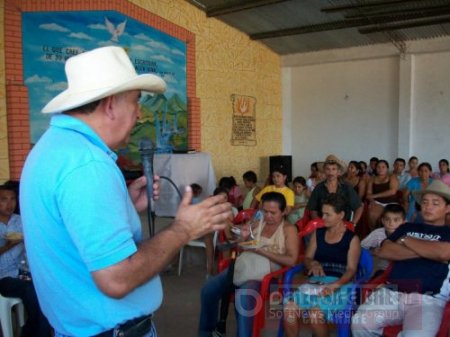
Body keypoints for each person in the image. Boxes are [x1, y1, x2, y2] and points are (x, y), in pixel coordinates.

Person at [19, 46, 232, 337]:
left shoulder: (51, 148)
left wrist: (124, 205)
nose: (140, 112)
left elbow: (72, 229)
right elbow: (117, 279)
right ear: (110, 105)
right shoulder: (88, 165)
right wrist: (184, 229)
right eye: (136, 101)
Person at [352, 180, 450, 337]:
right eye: (425, 202)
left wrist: (405, 241)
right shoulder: (407, 227)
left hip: (427, 299)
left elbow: (445, 254)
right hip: (392, 293)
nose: (428, 206)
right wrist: (430, 251)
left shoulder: (448, 233)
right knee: (360, 323)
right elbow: (385, 251)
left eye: (435, 203)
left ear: (447, 208)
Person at [199, 192, 299, 337]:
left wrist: (261, 251)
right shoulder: (258, 222)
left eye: (273, 213)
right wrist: (242, 238)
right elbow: (240, 245)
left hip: (264, 274)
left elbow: (291, 260)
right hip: (244, 266)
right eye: (265, 211)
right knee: (207, 291)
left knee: (244, 297)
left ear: (284, 211)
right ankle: (206, 332)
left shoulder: (288, 230)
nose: (268, 216)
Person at [284, 194, 361, 337]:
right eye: (322, 213)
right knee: (289, 309)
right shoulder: (318, 234)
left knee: (315, 313)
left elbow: (351, 270)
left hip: (340, 285)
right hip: (316, 284)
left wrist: (335, 285)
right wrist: (312, 263)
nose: (323, 218)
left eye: (328, 214)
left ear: (341, 215)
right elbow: (307, 258)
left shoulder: (352, 239)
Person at [0, 184, 52, 337]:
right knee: (31, 291)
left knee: (47, 288)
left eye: (12, 199)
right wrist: (9, 245)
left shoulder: (21, 221)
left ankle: (31, 330)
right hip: (4, 276)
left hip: (24, 272)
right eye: (4, 200)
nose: (10, 204)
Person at [307, 154, 363, 225]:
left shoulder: (346, 187)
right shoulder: (319, 188)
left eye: (334, 169)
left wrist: (353, 223)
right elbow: (313, 210)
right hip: (323, 223)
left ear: (338, 172)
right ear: (324, 170)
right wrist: (319, 223)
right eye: (328, 169)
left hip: (342, 224)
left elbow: (359, 207)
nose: (330, 172)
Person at [361, 203, 405, 276]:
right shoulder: (377, 233)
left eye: (396, 220)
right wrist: (372, 252)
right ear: (382, 221)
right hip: (383, 269)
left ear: (403, 222)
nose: (391, 223)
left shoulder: (407, 235)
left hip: (402, 270)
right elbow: (361, 247)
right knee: (373, 285)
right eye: (387, 219)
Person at [365, 159, 400, 230]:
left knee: (391, 217)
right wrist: (372, 201)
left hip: (392, 202)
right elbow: (368, 194)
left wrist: (375, 196)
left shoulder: (392, 176)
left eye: (383, 167)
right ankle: (374, 233)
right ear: (376, 168)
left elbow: (392, 191)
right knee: (372, 214)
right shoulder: (372, 179)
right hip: (377, 202)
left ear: (387, 168)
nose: (381, 169)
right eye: (378, 167)